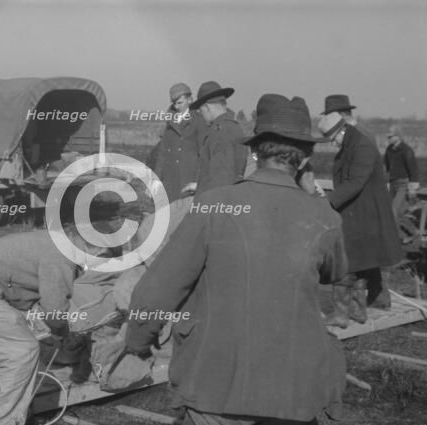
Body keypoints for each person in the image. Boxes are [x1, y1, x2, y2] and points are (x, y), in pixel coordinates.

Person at [125, 94, 347, 425]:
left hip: (215, 386)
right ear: (305, 160)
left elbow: (155, 292)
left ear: (255, 151)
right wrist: (312, 195)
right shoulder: (324, 217)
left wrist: (138, 343)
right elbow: (335, 273)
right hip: (294, 391)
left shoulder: (214, 205)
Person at [0, 227, 114, 425]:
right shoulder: (62, 256)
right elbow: (54, 308)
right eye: (103, 262)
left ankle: (20, 415)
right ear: (96, 251)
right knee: (22, 352)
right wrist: (61, 332)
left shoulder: (61, 243)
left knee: (8, 358)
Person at [318, 112, 403, 326]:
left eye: (333, 138)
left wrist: (328, 201)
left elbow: (355, 182)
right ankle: (356, 311)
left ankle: (342, 314)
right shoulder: (350, 144)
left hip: (364, 213)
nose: (333, 143)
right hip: (356, 211)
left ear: (341, 131)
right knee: (359, 262)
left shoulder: (361, 146)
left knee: (347, 262)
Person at [190, 81, 247, 194]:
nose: (202, 115)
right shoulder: (235, 128)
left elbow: (219, 182)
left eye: (201, 111)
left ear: (207, 107)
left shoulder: (219, 132)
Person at [153, 83, 201, 202]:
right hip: (170, 178)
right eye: (174, 103)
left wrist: (198, 180)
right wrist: (156, 178)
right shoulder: (170, 121)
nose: (177, 106)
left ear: (190, 100)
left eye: (180, 102)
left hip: (188, 177)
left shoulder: (199, 121)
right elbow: (163, 152)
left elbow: (203, 153)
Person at [383, 124, 419, 223]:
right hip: (392, 183)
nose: (388, 138)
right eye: (388, 136)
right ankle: (411, 235)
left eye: (391, 136)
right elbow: (386, 167)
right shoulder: (389, 150)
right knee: (392, 212)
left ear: (398, 136)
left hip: (403, 184)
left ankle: (399, 236)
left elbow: (413, 169)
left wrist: (413, 189)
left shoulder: (406, 150)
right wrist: (386, 182)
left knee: (394, 210)